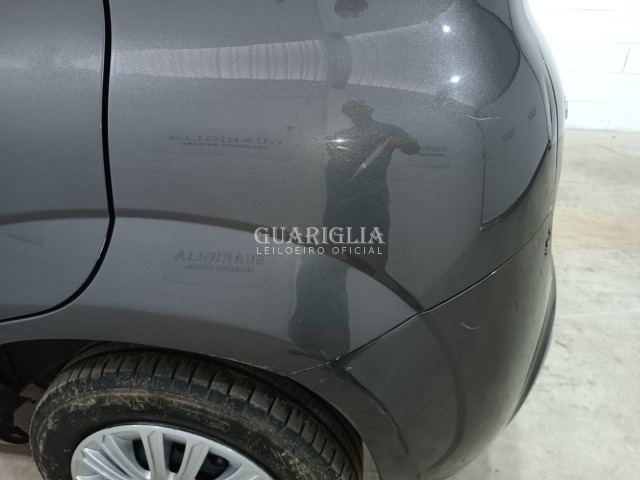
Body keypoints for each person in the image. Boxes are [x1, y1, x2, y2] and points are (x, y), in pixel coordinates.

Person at [288, 100, 419, 359]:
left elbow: (414, 148)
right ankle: (314, 337)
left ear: (369, 108)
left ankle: (365, 343)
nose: (353, 113)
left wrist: (390, 141)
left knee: (373, 273)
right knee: (317, 272)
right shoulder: (342, 136)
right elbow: (329, 155)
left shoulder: (387, 129)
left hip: (369, 214)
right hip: (337, 215)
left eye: (358, 107)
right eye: (349, 110)